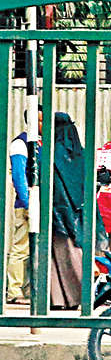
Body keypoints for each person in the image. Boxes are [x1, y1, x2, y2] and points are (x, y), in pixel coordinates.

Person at [45, 113, 85, 310]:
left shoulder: (55, 152)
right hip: (76, 212)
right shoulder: (78, 152)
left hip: (59, 211)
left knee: (59, 256)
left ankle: (61, 299)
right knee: (70, 254)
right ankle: (73, 299)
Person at [6, 106, 36, 305]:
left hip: (39, 203)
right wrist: (27, 203)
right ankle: (14, 291)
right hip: (27, 204)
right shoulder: (20, 143)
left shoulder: (39, 143)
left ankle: (27, 290)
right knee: (21, 248)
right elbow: (18, 176)